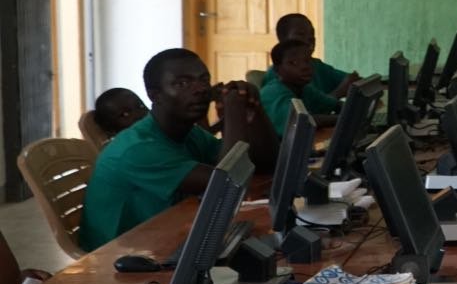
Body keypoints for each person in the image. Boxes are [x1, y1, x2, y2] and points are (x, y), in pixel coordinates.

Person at [79, 49, 278, 251]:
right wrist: (233, 114)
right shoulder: (137, 149)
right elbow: (227, 184)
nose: (200, 88)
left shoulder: (188, 132)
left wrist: (255, 109)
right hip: (117, 260)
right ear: (154, 95)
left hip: (163, 238)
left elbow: (264, 163)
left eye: (204, 79)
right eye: (182, 83)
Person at [265, 13, 357, 97]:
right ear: (283, 40)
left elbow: (353, 83)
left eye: (312, 34)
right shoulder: (278, 75)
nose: (310, 38)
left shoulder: (317, 66)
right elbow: (301, 113)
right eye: (301, 34)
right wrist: (339, 92)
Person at [259, 40, 340, 135]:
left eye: (308, 60)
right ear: (277, 70)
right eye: (293, 63)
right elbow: (302, 122)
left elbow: (335, 104)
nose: (305, 67)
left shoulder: (305, 89)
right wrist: (344, 117)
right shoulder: (273, 93)